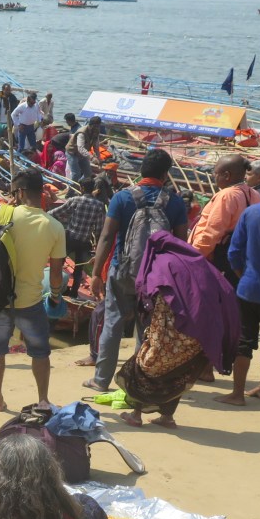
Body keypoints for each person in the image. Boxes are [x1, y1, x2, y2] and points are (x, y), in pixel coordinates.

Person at [84, 150, 189, 393]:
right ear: (165, 174)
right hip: (155, 277)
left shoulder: (122, 198)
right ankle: (137, 385)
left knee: (112, 324)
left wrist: (96, 273)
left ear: (141, 170)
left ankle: (101, 381)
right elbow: (181, 244)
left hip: (122, 270)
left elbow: (107, 236)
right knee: (147, 330)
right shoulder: (174, 202)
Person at [116, 232, 240, 428]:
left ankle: (136, 415)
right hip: (197, 334)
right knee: (177, 374)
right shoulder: (197, 263)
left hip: (170, 331)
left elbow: (160, 302)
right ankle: (167, 417)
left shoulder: (161, 264)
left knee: (142, 368)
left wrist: (152, 335)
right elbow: (223, 290)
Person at [0, 168, 66, 411]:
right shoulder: (54, 226)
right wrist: (54, 297)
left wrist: (8, 210)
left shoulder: (3, 215)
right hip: (30, 300)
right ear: (41, 192)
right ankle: (43, 399)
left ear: (18, 192)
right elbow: (55, 274)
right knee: (40, 351)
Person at [217, 198, 260, 405]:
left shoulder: (252, 213)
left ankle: (237, 394)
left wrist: (243, 275)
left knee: (245, 341)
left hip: (250, 288)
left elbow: (234, 252)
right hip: (250, 286)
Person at [189, 155, 260, 286]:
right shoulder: (254, 194)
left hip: (219, 259)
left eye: (215, 173)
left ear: (226, 175)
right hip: (241, 257)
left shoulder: (227, 195)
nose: (213, 176)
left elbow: (212, 233)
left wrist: (192, 256)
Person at [50, 177, 106, 297]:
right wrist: (97, 248)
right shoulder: (99, 205)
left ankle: (57, 288)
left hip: (70, 237)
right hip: (85, 241)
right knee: (79, 270)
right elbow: (99, 230)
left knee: (59, 263)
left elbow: (56, 213)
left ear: (82, 188)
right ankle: (74, 293)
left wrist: (42, 215)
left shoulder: (75, 200)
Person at [66, 116, 102, 181]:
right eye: (95, 126)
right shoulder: (82, 132)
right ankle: (71, 190)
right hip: (72, 153)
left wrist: (99, 159)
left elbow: (96, 148)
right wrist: (92, 158)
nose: (96, 128)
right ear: (90, 125)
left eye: (98, 126)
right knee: (76, 174)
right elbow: (80, 148)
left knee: (88, 174)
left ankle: (83, 187)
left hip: (83, 154)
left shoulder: (96, 133)